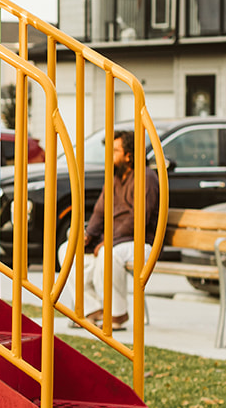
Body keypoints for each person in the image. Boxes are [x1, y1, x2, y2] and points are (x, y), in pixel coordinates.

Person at [62, 129, 160, 330]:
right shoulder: (114, 177)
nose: (110, 156)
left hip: (141, 242)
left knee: (108, 253)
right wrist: (89, 236)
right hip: (113, 241)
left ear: (129, 155)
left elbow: (138, 219)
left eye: (115, 151)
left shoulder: (146, 177)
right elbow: (99, 211)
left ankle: (117, 313)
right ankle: (92, 309)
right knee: (67, 250)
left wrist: (110, 240)